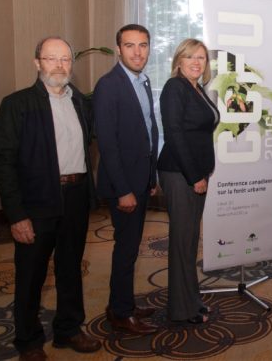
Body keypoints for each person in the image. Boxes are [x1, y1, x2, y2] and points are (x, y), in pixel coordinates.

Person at [0, 37, 101, 361]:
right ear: (37, 62)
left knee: (70, 269)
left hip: (76, 197)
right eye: (51, 58)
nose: (59, 65)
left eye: (65, 59)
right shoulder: (17, 104)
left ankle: (68, 329)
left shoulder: (80, 102)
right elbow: (3, 162)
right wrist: (16, 214)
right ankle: (28, 341)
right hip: (36, 203)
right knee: (31, 275)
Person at [94, 24, 159, 334]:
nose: (137, 51)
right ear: (118, 49)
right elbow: (107, 144)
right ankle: (120, 312)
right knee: (126, 249)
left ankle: (123, 303)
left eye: (143, 45)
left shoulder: (142, 81)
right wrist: (123, 190)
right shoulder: (109, 85)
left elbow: (147, 131)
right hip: (124, 186)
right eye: (130, 45)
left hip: (139, 179)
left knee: (131, 247)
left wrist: (151, 176)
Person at [157, 38, 220, 324]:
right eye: (190, 57)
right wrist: (195, 176)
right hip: (180, 174)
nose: (197, 62)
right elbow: (174, 134)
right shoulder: (174, 88)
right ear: (179, 60)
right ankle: (181, 310)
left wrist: (201, 173)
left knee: (190, 238)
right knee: (182, 242)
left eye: (202, 58)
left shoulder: (198, 89)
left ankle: (191, 300)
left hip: (195, 174)